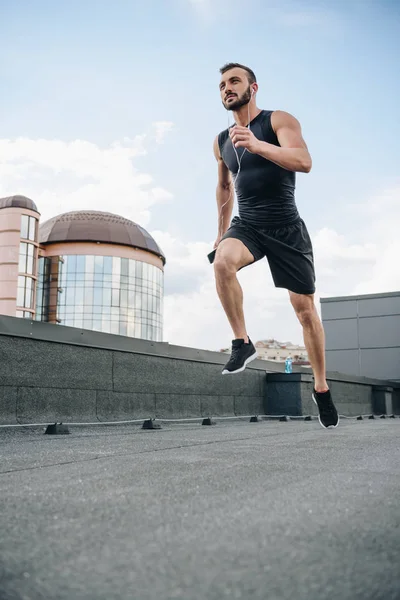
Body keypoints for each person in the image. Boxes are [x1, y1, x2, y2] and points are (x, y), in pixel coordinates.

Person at [212, 62, 339, 429]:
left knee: (304, 312)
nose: (226, 88)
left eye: (234, 81)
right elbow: (223, 188)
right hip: (248, 224)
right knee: (222, 263)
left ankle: (320, 387)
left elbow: (304, 161)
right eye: (221, 84)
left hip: (285, 226)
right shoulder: (220, 141)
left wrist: (258, 144)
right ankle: (242, 342)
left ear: (253, 87)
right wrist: (221, 233)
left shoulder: (278, 120)